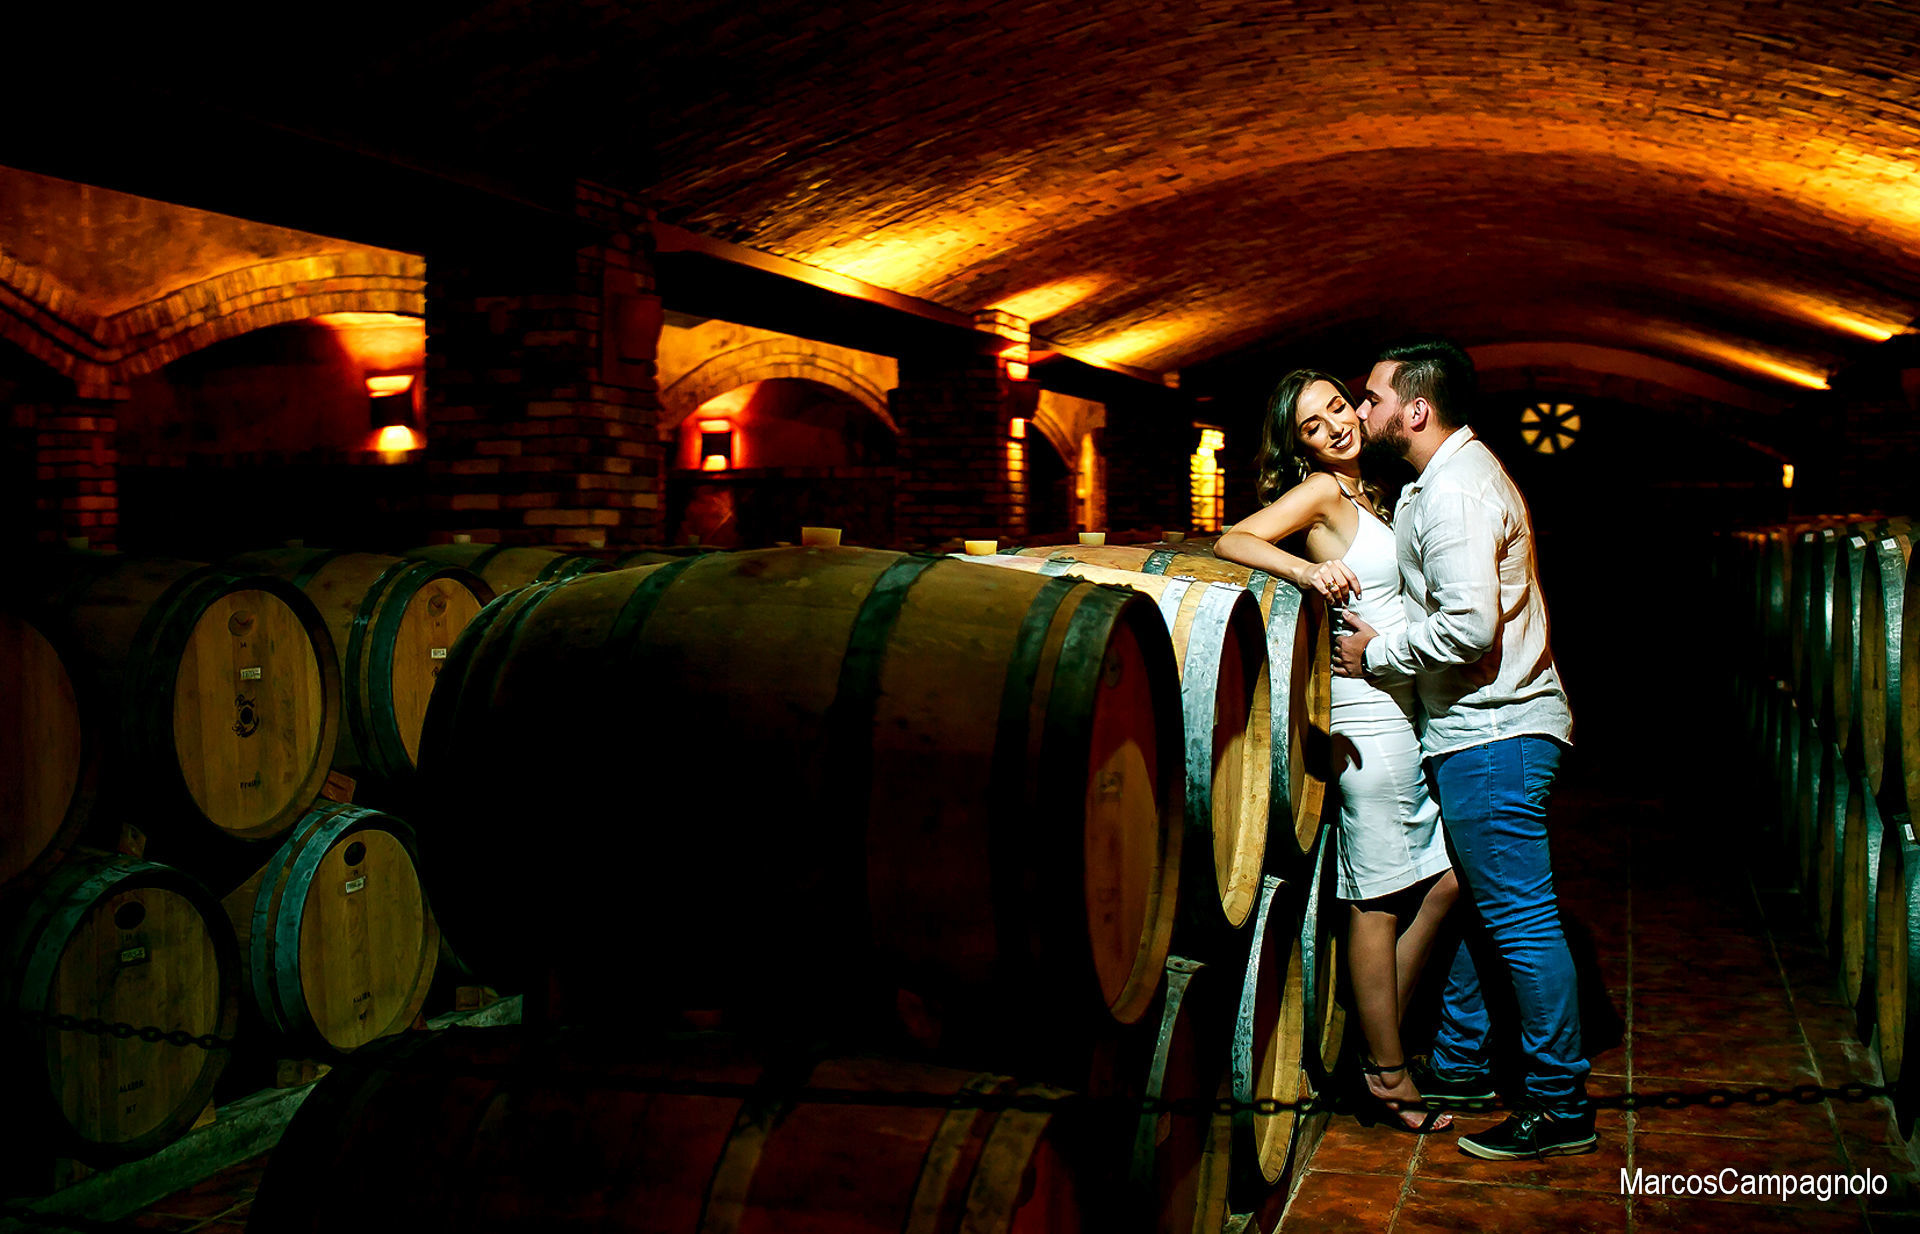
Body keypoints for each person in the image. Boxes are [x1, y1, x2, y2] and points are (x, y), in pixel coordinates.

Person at [1332, 338, 1592, 1160]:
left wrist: (1374, 656)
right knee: (1489, 908)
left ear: (1414, 408)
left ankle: (1559, 1106)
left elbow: (1470, 627)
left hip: (1496, 732)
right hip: (1482, 731)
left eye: (1370, 397)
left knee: (1520, 921)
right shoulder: (1434, 486)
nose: (1360, 410)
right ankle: (1463, 1062)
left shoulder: (1456, 495)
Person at [1216, 369, 1461, 1133]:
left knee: (1443, 880)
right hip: (1367, 715)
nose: (1336, 427)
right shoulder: (1322, 493)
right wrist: (1306, 568)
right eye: (1315, 427)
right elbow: (1232, 538)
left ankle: (1372, 1037)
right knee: (1380, 897)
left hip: (1405, 706)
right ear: (1301, 448)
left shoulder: (1377, 490)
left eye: (1337, 408)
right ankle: (1387, 1070)